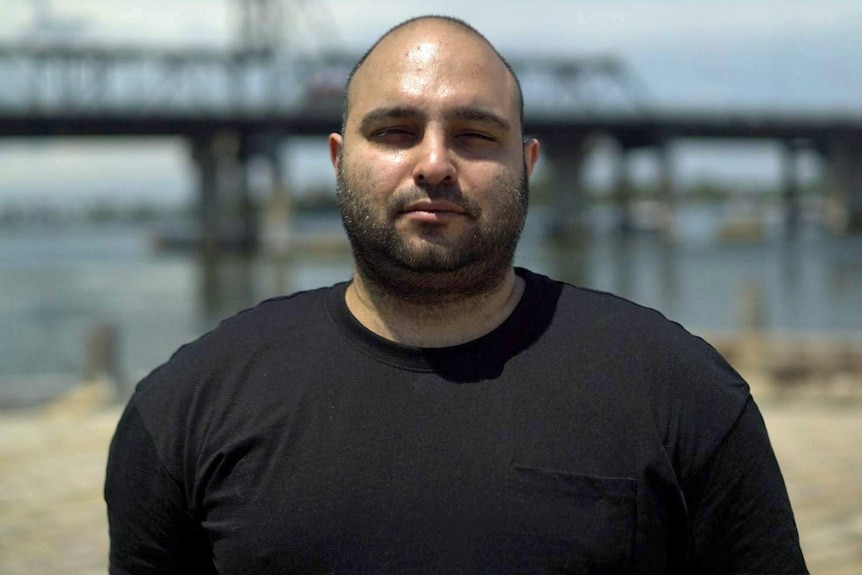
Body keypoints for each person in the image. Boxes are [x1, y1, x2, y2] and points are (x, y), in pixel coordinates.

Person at [105, 15, 808, 575]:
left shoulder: (687, 397)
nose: (435, 163)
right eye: (395, 131)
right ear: (338, 158)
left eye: (474, 134)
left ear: (528, 165)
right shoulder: (180, 414)